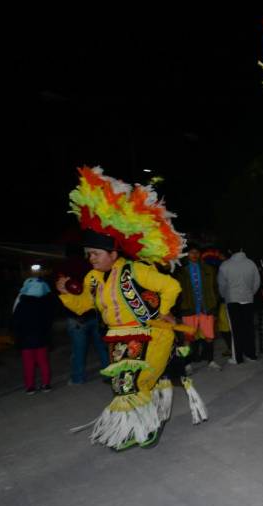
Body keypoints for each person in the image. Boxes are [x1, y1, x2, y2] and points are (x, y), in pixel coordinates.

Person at [57, 166, 187, 450]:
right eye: (88, 254)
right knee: (124, 385)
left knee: (131, 383)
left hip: (152, 333)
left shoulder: (135, 270)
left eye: (95, 254)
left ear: (113, 254)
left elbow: (171, 287)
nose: (90, 258)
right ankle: (135, 427)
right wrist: (66, 294)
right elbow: (82, 307)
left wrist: (164, 309)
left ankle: (148, 426)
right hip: (119, 338)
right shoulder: (92, 279)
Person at [58, 246, 110, 384]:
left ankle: (78, 378)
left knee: (78, 349)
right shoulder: (92, 267)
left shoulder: (63, 268)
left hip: (76, 316)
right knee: (102, 347)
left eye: (94, 254)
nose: (92, 257)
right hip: (95, 313)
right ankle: (110, 375)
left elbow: (61, 289)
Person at [174, 243, 222, 369]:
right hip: (188, 309)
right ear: (187, 254)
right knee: (187, 338)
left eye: (196, 252)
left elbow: (215, 288)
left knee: (209, 336)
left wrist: (214, 304)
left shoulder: (208, 268)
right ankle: (187, 364)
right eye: (191, 252)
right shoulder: (180, 270)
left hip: (206, 308)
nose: (194, 255)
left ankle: (210, 360)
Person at [216, 243, 261, 364]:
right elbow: (257, 281)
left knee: (236, 330)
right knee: (248, 328)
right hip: (248, 299)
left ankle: (237, 358)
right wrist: (251, 293)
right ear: (242, 249)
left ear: (230, 251)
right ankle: (251, 355)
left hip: (232, 300)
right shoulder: (251, 263)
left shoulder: (225, 265)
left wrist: (225, 296)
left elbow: (222, 285)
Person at [12, 272, 56, 394]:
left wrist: (17, 338)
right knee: (43, 362)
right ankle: (46, 384)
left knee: (28, 364)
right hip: (42, 338)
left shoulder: (21, 303)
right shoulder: (45, 303)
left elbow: (16, 322)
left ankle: (30, 386)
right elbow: (49, 321)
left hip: (26, 339)